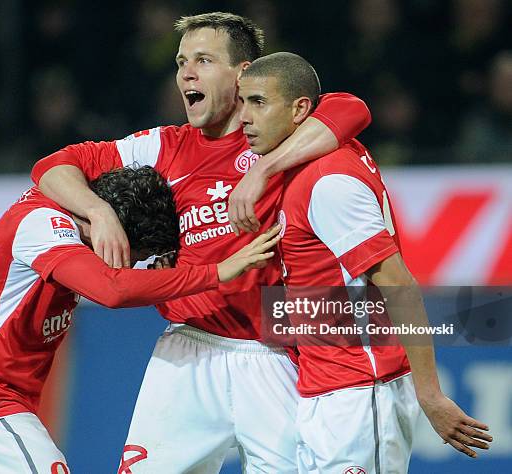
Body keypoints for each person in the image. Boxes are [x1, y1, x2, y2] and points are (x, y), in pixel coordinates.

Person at [31, 12, 371, 473]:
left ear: (244, 72)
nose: (186, 73)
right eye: (180, 62)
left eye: (204, 60)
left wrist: (263, 170)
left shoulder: (279, 136)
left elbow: (351, 108)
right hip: (187, 350)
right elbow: (54, 165)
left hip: (273, 355)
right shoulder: (163, 145)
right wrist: (99, 212)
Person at [0, 166, 281, 473]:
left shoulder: (72, 224)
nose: (132, 265)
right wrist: (218, 271)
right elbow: (113, 290)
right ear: (113, 231)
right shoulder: (41, 225)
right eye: (134, 255)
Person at [237, 51, 493, 473]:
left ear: (301, 109)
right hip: (324, 389)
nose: (245, 116)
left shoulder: (328, 182)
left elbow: (397, 284)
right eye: (243, 101)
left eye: (259, 102)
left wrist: (430, 394)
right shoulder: (306, 163)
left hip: (360, 394)